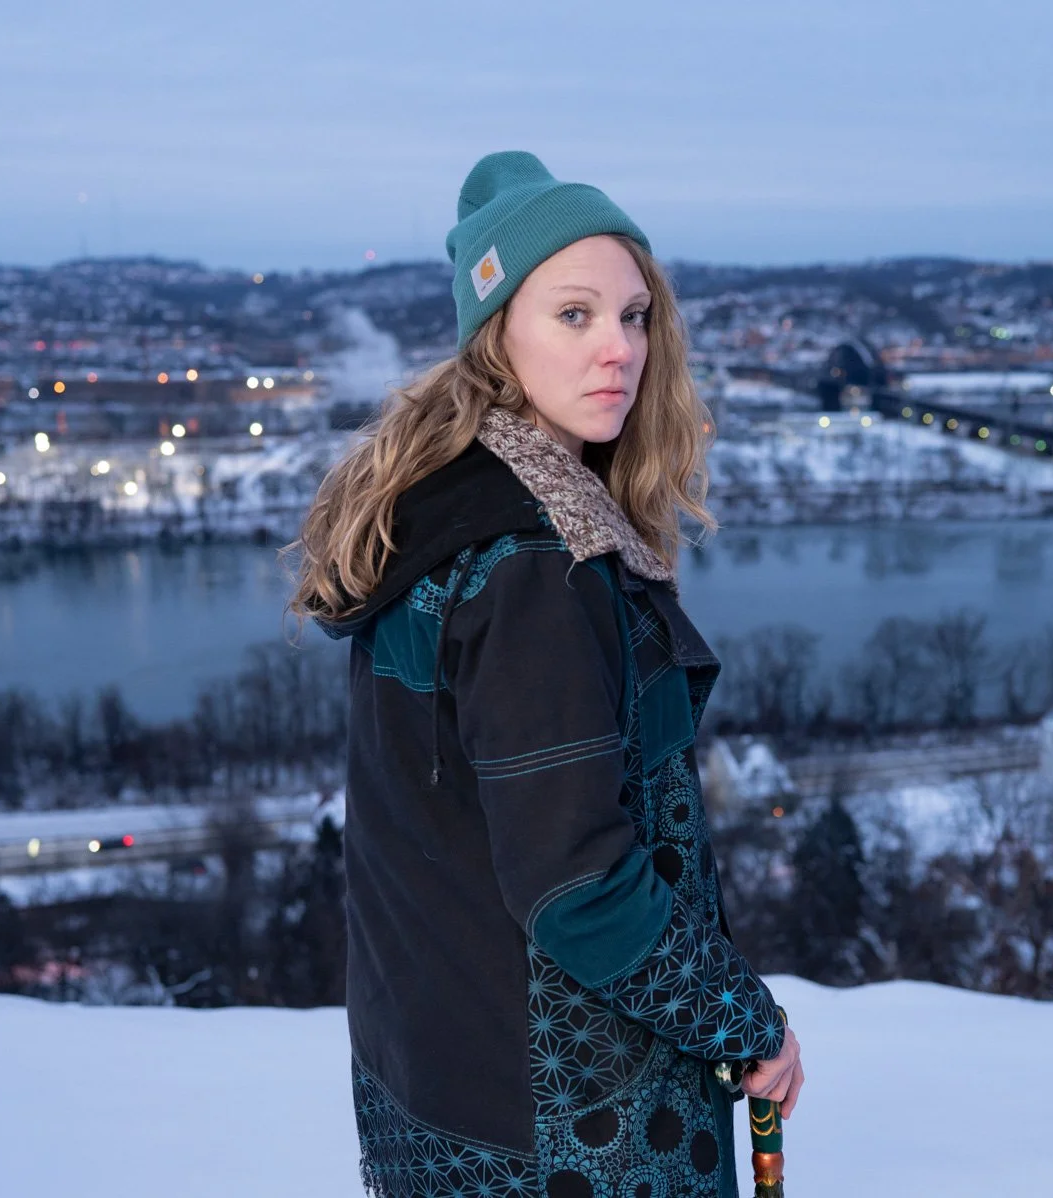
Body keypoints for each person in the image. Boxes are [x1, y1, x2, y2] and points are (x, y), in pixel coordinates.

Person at [287, 150, 804, 1198]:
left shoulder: (438, 515)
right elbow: (579, 887)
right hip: (569, 1131)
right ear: (497, 335)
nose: (619, 348)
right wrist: (746, 1020)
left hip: (431, 1089)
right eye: (574, 314)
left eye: (636, 315)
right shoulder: (531, 565)